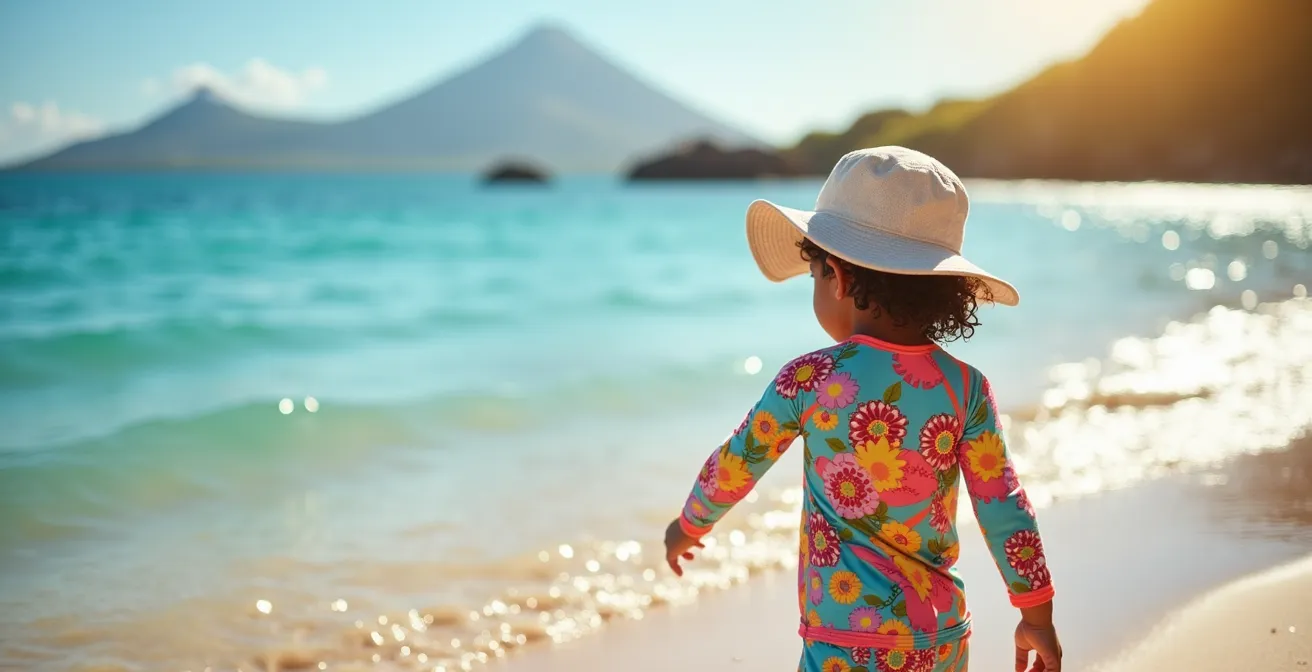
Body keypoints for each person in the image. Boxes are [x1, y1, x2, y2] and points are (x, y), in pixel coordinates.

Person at [663, 147, 1061, 672]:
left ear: (841, 278)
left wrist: (688, 525)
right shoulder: (968, 388)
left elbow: (737, 463)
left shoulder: (808, 380)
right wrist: (1037, 616)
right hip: (940, 638)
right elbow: (1004, 507)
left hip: (842, 641)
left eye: (813, 276)